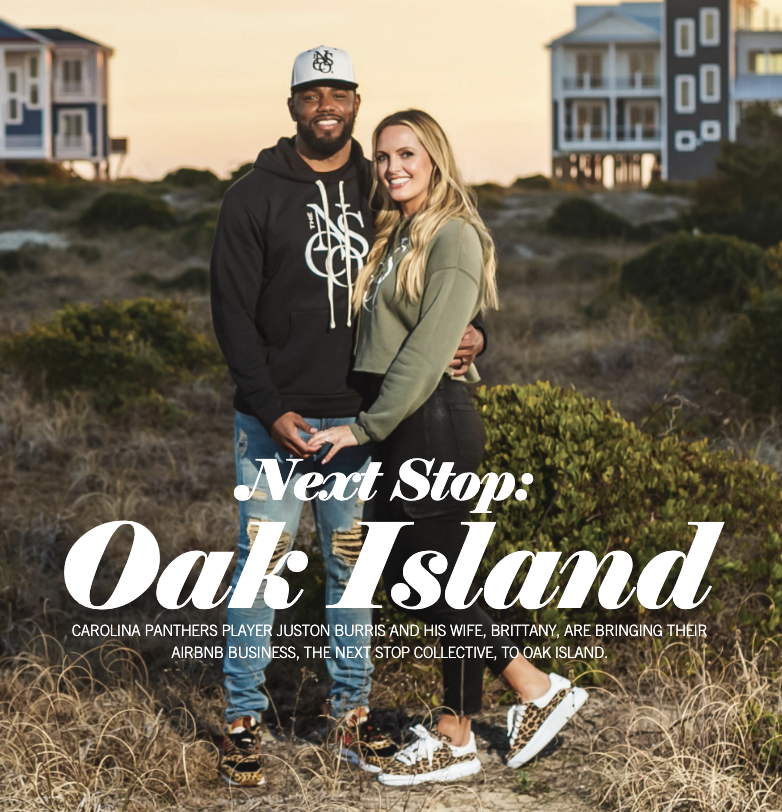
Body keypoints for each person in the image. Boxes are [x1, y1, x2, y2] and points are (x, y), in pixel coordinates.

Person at [210, 48, 487, 787]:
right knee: (260, 569)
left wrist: (482, 334)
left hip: (359, 427)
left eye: (339, 93)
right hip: (273, 424)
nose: (325, 104)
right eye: (311, 93)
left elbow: (438, 273)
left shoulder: (382, 183)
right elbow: (231, 316)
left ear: (356, 103)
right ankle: (242, 719)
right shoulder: (251, 196)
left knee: (350, 573)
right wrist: (270, 410)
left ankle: (351, 718)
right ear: (293, 104)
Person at [307, 110, 587, 787]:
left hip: (429, 421)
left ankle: (514, 700)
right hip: (408, 420)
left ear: (435, 158)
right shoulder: (397, 234)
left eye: (407, 153)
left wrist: (366, 427)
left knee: (423, 575)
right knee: (437, 578)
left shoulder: (454, 234)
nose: (392, 167)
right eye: (382, 157)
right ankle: (475, 721)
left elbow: (433, 346)